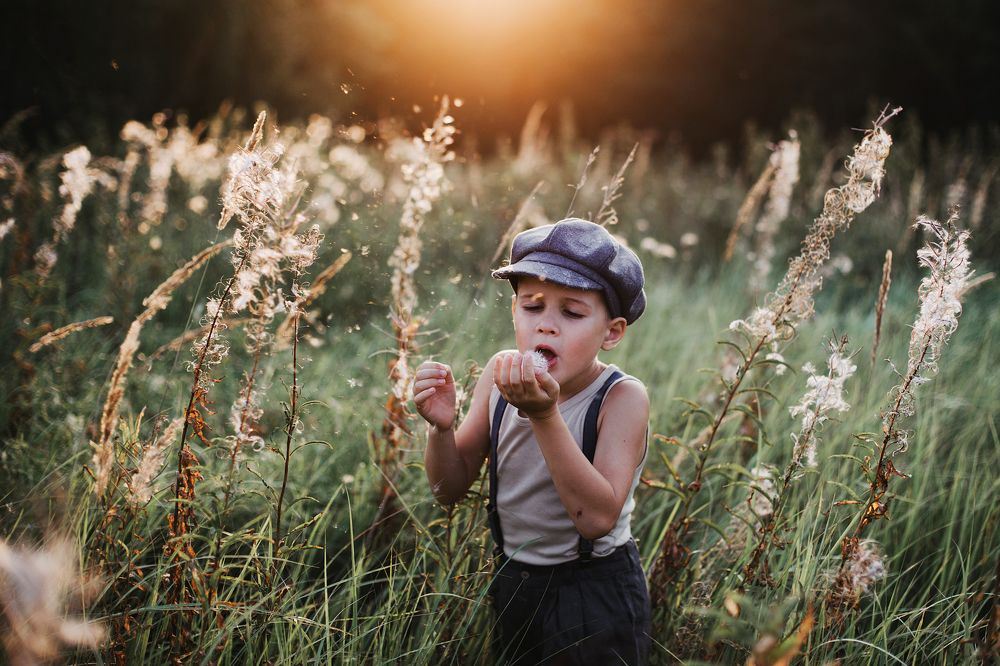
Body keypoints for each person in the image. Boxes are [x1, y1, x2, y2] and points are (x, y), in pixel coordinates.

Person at [413, 218, 652, 664]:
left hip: (593, 587)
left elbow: (596, 518)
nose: (546, 326)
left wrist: (544, 414)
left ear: (612, 331)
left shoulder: (620, 398)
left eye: (573, 312)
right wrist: (441, 429)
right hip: (515, 580)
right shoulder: (498, 373)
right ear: (514, 311)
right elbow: (449, 489)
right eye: (531, 306)